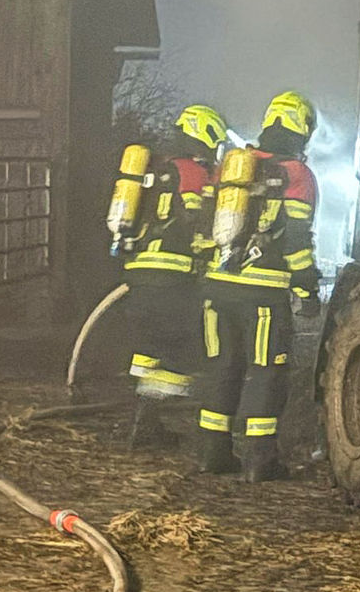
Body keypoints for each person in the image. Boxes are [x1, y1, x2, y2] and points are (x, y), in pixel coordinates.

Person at [197, 91, 321, 481]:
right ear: (302, 129)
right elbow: (297, 240)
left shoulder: (234, 167)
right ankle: (259, 460)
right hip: (263, 293)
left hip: (217, 289)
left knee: (223, 366)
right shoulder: (296, 174)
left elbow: (204, 226)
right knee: (267, 371)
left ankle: (212, 454)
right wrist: (308, 291)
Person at [122, 104, 228, 449]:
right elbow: (201, 223)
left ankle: (142, 421)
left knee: (149, 348)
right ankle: (154, 426)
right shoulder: (195, 173)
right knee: (182, 349)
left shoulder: (157, 167)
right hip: (175, 274)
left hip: (139, 274)